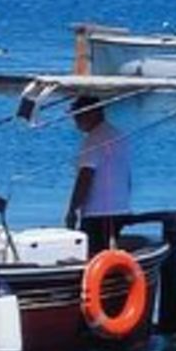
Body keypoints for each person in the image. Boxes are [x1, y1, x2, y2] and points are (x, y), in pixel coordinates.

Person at [65, 95, 132, 253]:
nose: (75, 120)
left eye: (78, 115)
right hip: (121, 208)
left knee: (95, 255)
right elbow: (126, 176)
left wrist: (72, 209)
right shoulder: (120, 135)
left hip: (98, 213)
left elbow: (85, 177)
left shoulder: (93, 140)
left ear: (92, 114)